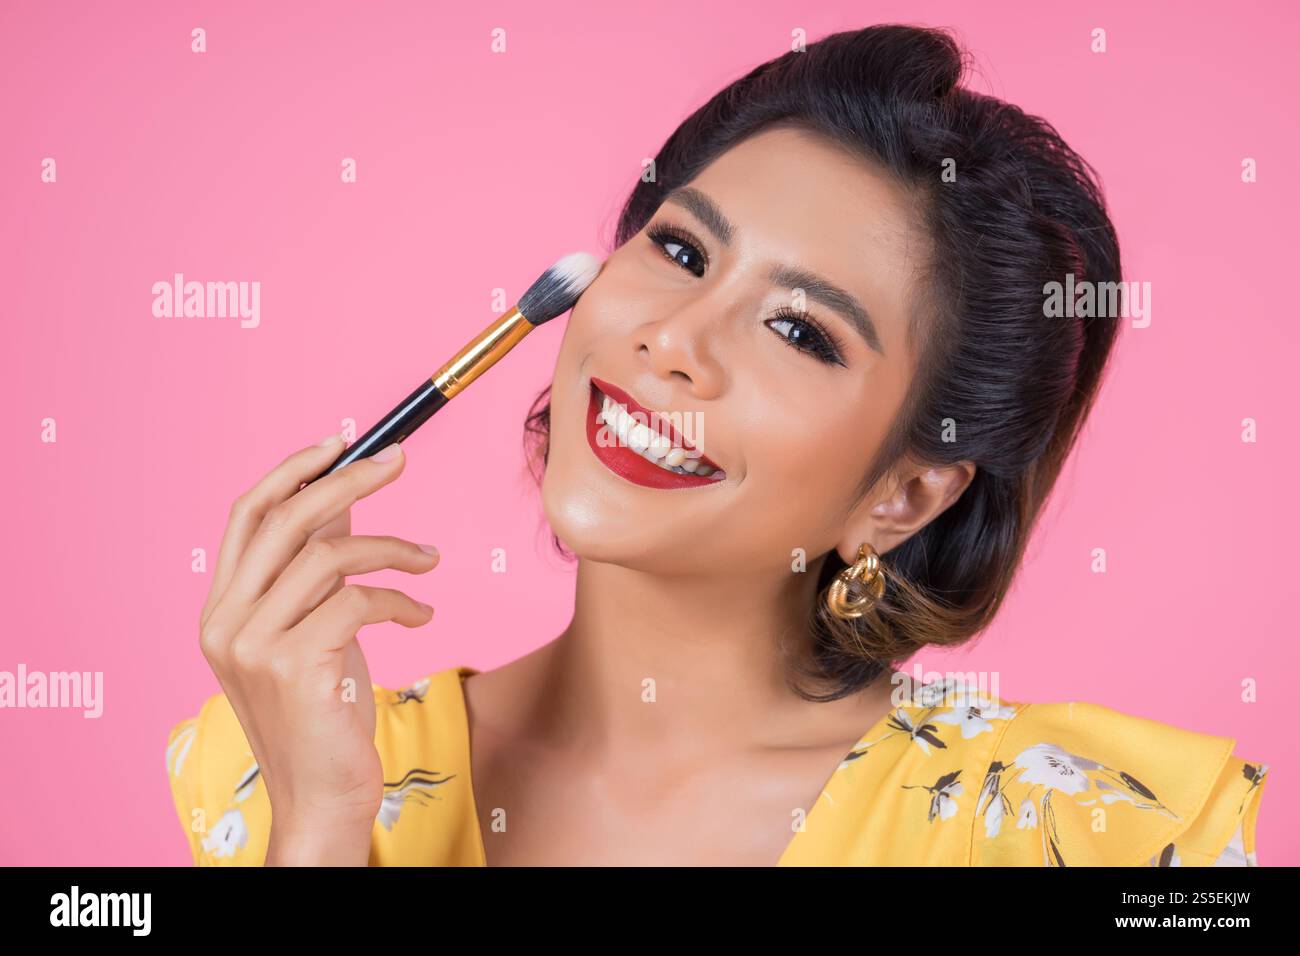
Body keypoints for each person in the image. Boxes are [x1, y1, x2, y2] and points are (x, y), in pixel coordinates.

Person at [165, 24, 1268, 866]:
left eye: (799, 329)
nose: (674, 341)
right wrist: (320, 826)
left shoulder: (1095, 826)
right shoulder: (277, 770)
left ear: (904, 493)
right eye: (684, 251)